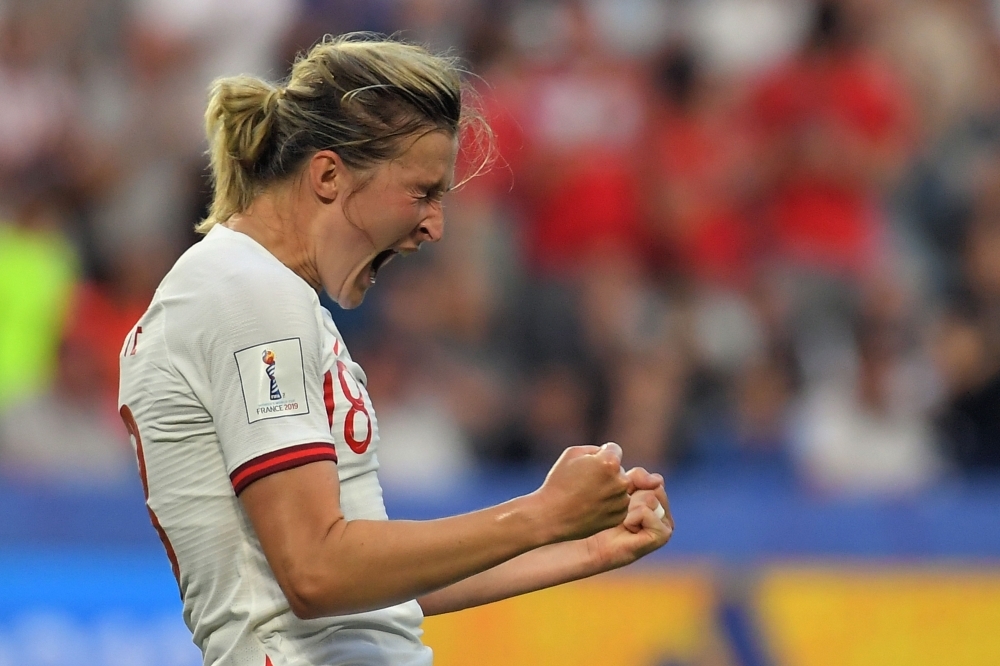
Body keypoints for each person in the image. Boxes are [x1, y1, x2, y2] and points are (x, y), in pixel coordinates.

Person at [118, 33, 673, 666]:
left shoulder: (267, 296)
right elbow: (317, 573)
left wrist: (581, 545)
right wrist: (540, 514)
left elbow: (366, 585)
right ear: (329, 175)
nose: (435, 225)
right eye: (423, 191)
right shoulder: (248, 294)